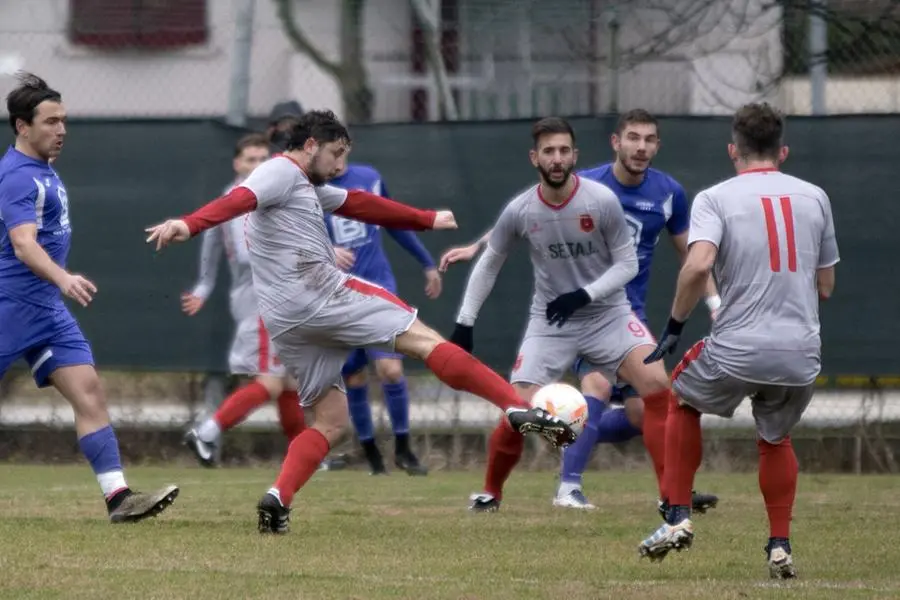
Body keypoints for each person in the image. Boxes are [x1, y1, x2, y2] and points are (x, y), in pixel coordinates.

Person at [144, 110, 573, 534]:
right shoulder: (278, 172)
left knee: (331, 423)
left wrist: (424, 219)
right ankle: (516, 406)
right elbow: (239, 200)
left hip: (287, 323)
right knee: (424, 340)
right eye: (335, 153)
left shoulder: (303, 186)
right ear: (310, 146)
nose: (340, 165)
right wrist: (188, 223)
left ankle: (278, 496)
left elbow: (359, 204)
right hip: (322, 294)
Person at [440, 110, 718, 514]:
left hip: (609, 315)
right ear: (534, 158)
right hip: (550, 323)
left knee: (657, 388)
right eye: (548, 151)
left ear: (575, 156)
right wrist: (464, 323)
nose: (557, 158)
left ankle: (670, 496)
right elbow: (491, 261)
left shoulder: (601, 199)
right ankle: (490, 492)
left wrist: (583, 295)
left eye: (564, 150)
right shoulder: (521, 210)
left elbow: (628, 265)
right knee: (516, 408)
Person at [637, 103, 838, 579]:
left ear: (734, 150)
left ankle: (677, 515)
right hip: (802, 353)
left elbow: (699, 264)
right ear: (782, 152)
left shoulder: (715, 198)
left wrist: (674, 324)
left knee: (681, 398)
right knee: (775, 437)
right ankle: (779, 545)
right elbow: (826, 287)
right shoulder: (816, 197)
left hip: (738, 346)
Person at [0, 72, 178, 522]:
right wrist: (63, 278)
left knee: (89, 391)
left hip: (46, 311)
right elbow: (23, 244)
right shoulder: (19, 176)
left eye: (64, 121)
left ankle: (118, 498)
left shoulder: (44, 170)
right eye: (50, 122)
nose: (61, 130)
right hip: (10, 306)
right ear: (22, 126)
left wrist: (55, 287)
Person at [181, 133, 306, 466]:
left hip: (280, 295)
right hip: (262, 298)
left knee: (290, 380)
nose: (257, 165)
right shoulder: (242, 199)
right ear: (237, 163)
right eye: (250, 159)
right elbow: (251, 254)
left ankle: (304, 456)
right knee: (270, 381)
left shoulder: (265, 195)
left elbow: (210, 240)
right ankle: (207, 431)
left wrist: (204, 286)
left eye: (263, 159)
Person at [326, 163, 441, 476]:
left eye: (340, 147)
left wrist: (427, 263)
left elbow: (393, 221)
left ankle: (403, 449)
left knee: (390, 369)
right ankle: (372, 457)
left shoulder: (370, 178)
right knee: (354, 376)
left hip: (378, 289)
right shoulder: (307, 188)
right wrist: (327, 250)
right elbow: (292, 239)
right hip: (337, 295)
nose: (335, 157)